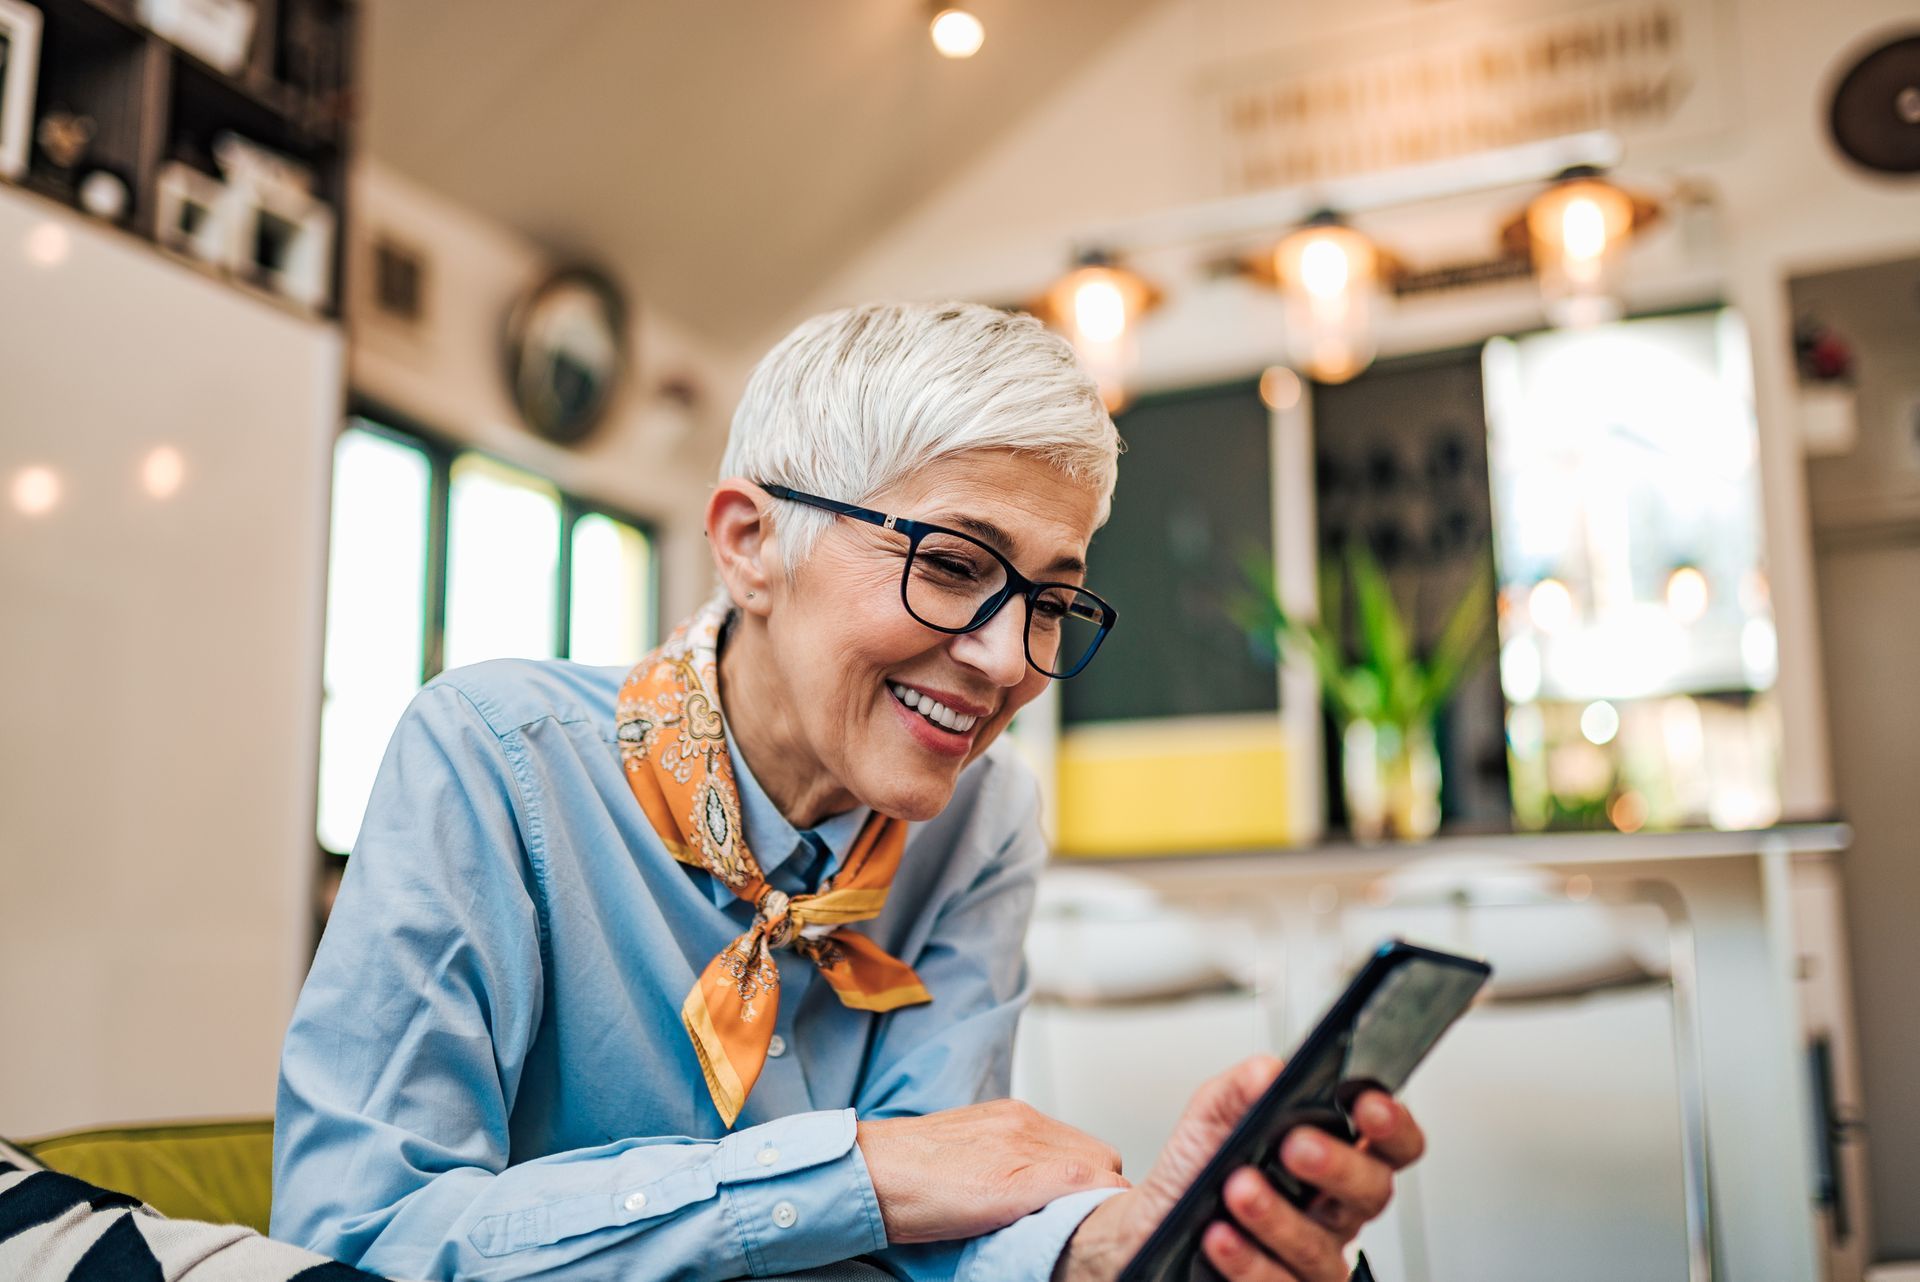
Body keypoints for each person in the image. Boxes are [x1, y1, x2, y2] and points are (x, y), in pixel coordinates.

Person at [272, 302, 1426, 1282]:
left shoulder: (982, 818)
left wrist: (1119, 1240)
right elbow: (358, 1238)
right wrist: (859, 1170)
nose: (1010, 659)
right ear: (749, 544)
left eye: (1049, 598)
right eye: (954, 566)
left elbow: (950, 1209)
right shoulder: (494, 758)